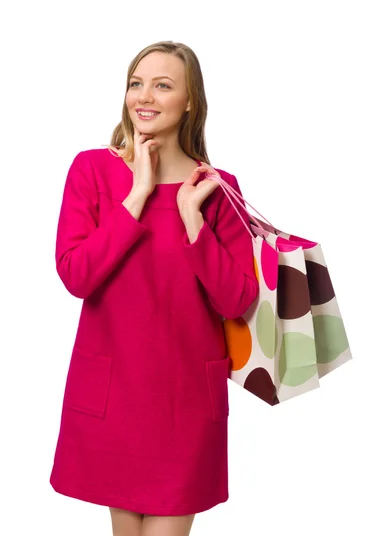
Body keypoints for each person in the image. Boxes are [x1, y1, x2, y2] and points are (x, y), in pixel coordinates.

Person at [49, 40, 259, 536]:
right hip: (114, 396)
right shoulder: (92, 170)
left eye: (162, 85)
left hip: (184, 401)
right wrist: (137, 196)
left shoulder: (216, 188)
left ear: (190, 101)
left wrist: (194, 224)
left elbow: (237, 300)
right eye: (136, 83)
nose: (144, 96)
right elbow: (76, 274)